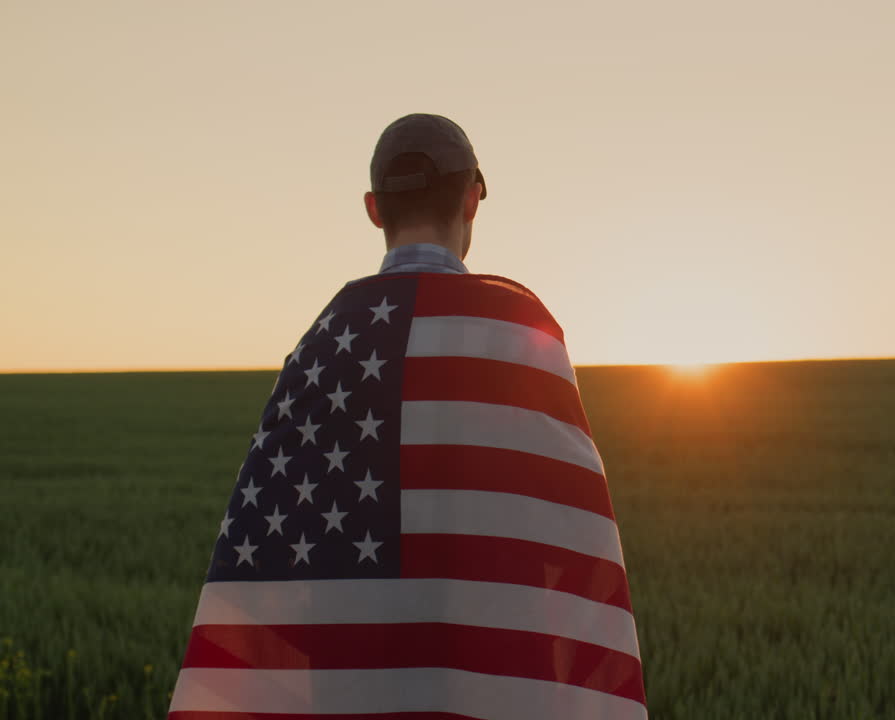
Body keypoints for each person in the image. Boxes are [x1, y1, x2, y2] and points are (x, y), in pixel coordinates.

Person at [167, 114, 647, 720]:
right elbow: (571, 535)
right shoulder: (524, 334)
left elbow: (268, 543)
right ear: (473, 198)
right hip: (495, 680)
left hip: (352, 688)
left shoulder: (323, 341)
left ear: (373, 209)